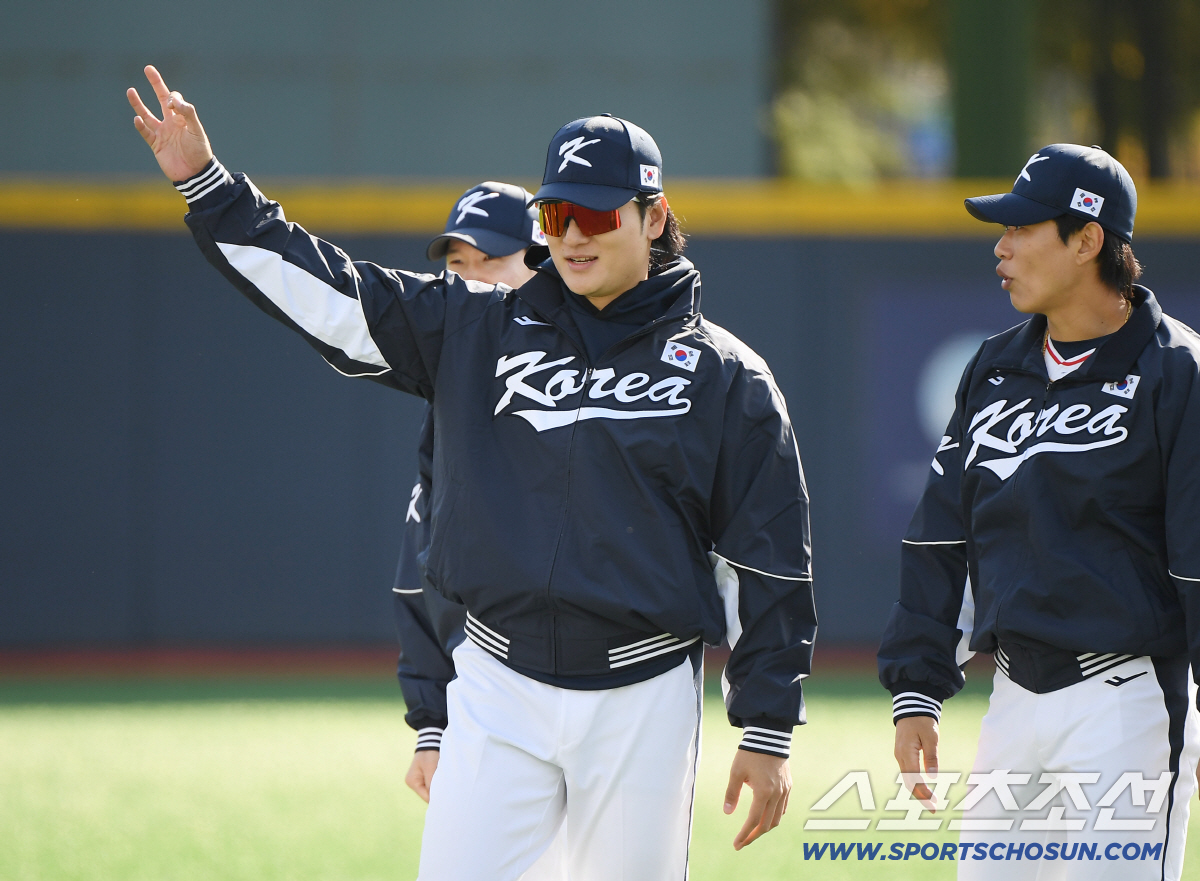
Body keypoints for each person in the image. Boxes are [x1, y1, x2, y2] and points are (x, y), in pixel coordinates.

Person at [128, 65, 816, 881]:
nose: (573, 234)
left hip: (642, 690)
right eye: (555, 214)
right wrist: (209, 186)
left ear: (654, 215)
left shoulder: (727, 375)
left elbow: (767, 559)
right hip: (498, 683)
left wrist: (767, 727)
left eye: (597, 213)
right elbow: (333, 292)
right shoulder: (475, 326)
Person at [878, 143, 1200, 880]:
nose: (1002, 247)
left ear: (1087, 240)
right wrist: (917, 687)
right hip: (1014, 699)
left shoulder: (1177, 371)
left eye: (1023, 229)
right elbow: (941, 535)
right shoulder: (995, 367)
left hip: (1128, 702)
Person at [393, 183, 568, 881]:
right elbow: (420, 576)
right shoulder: (453, 391)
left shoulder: (600, 374)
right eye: (456, 264)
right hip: (489, 697)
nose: (469, 280)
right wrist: (430, 722)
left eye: (489, 261)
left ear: (539, 260)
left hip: (610, 692)